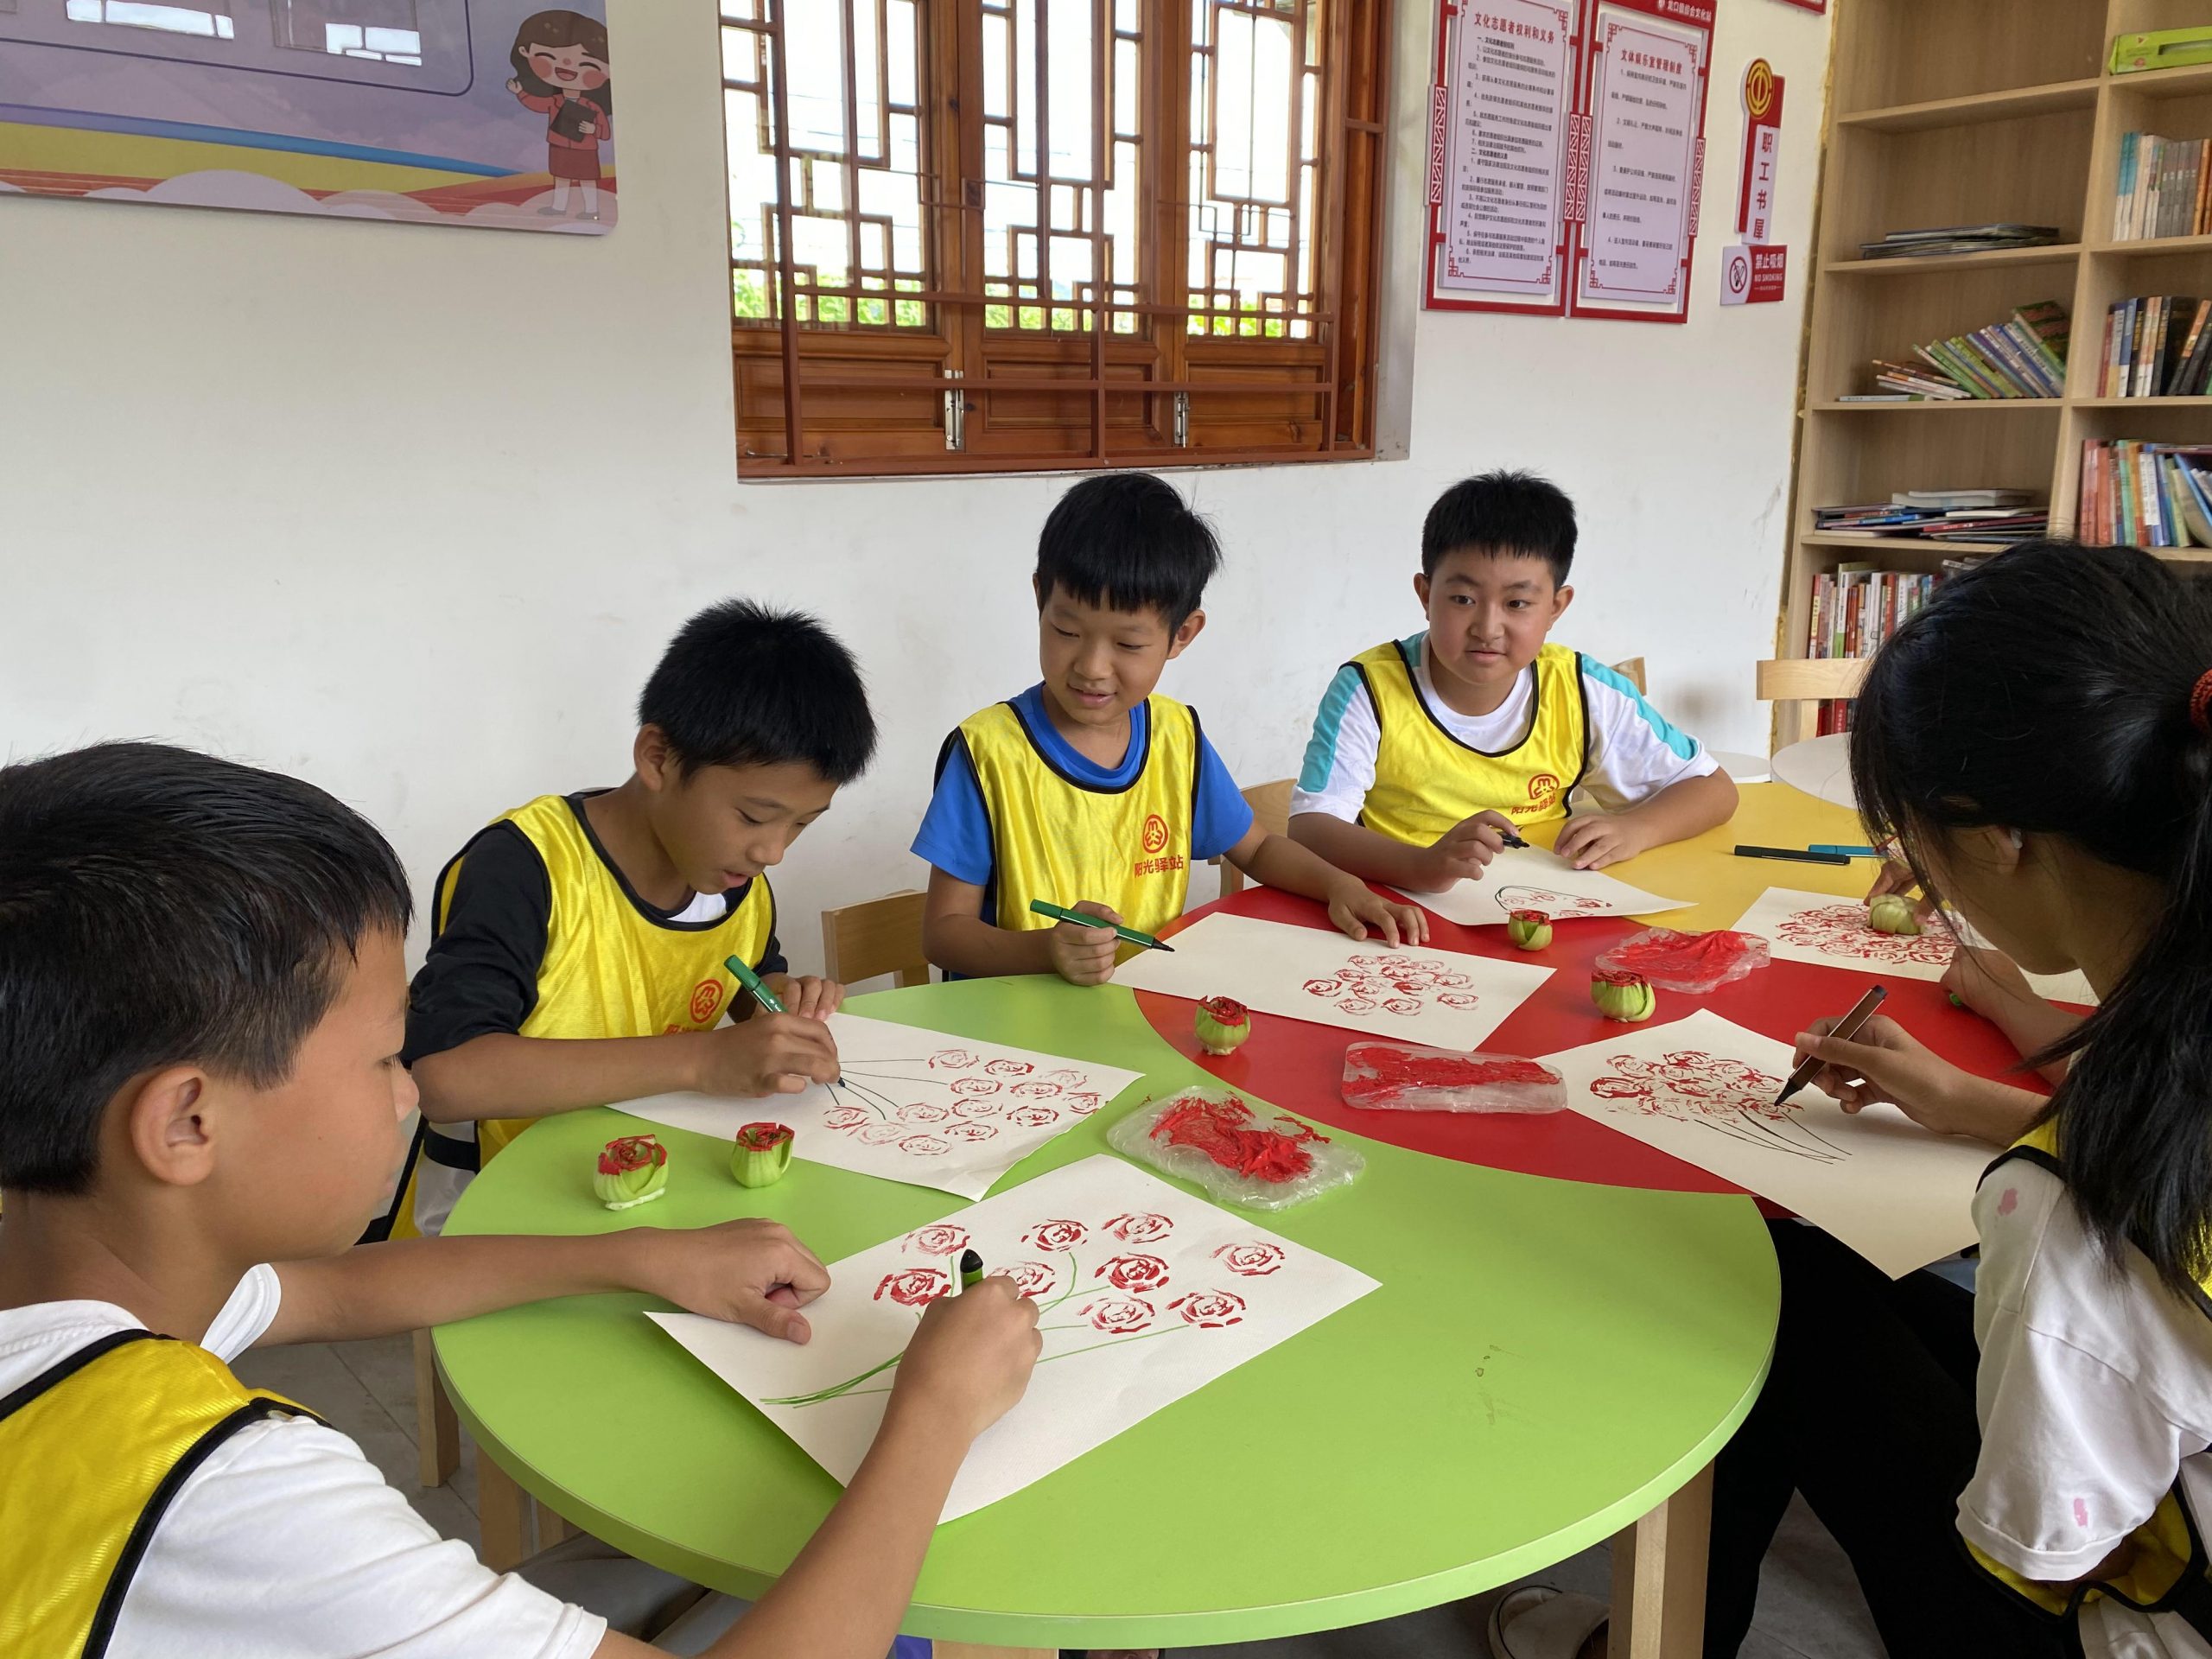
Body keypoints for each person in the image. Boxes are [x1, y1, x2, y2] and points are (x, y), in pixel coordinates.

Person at [0, 741, 1042, 1658]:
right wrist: (934, 1412)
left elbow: (338, 1291)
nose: (408, 1091)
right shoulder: (225, 1492)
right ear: (187, 1124)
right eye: (382, 1058)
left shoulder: (84, 1280)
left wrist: (644, 1257)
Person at [388, 600, 864, 1239]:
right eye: (754, 817)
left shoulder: (732, 876)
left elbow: (749, 982)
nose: (772, 851)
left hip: (656, 1187)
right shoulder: (527, 866)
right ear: (658, 757)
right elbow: (446, 1077)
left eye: (801, 824)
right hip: (504, 1214)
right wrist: (702, 1059)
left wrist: (779, 1002)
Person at [915, 472, 1425, 984]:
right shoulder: (987, 753)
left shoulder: (1176, 737)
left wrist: (1340, 885)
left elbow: (1257, 849)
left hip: (1144, 1009)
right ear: (1039, 599)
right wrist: (1048, 950)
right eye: (1067, 631)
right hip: (1012, 1023)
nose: (1092, 666)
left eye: (1128, 644)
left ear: (1182, 634)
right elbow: (942, 934)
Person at [1289, 470, 1737, 893]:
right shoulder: (1368, 688)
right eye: (1462, 599)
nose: (1487, 628)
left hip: (1543, 901)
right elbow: (1312, 828)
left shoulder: (1583, 690)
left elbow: (1713, 790)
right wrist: (1420, 866)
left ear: (1556, 607)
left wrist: (1636, 829)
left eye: (1517, 603)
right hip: (1404, 904)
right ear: (1425, 595)